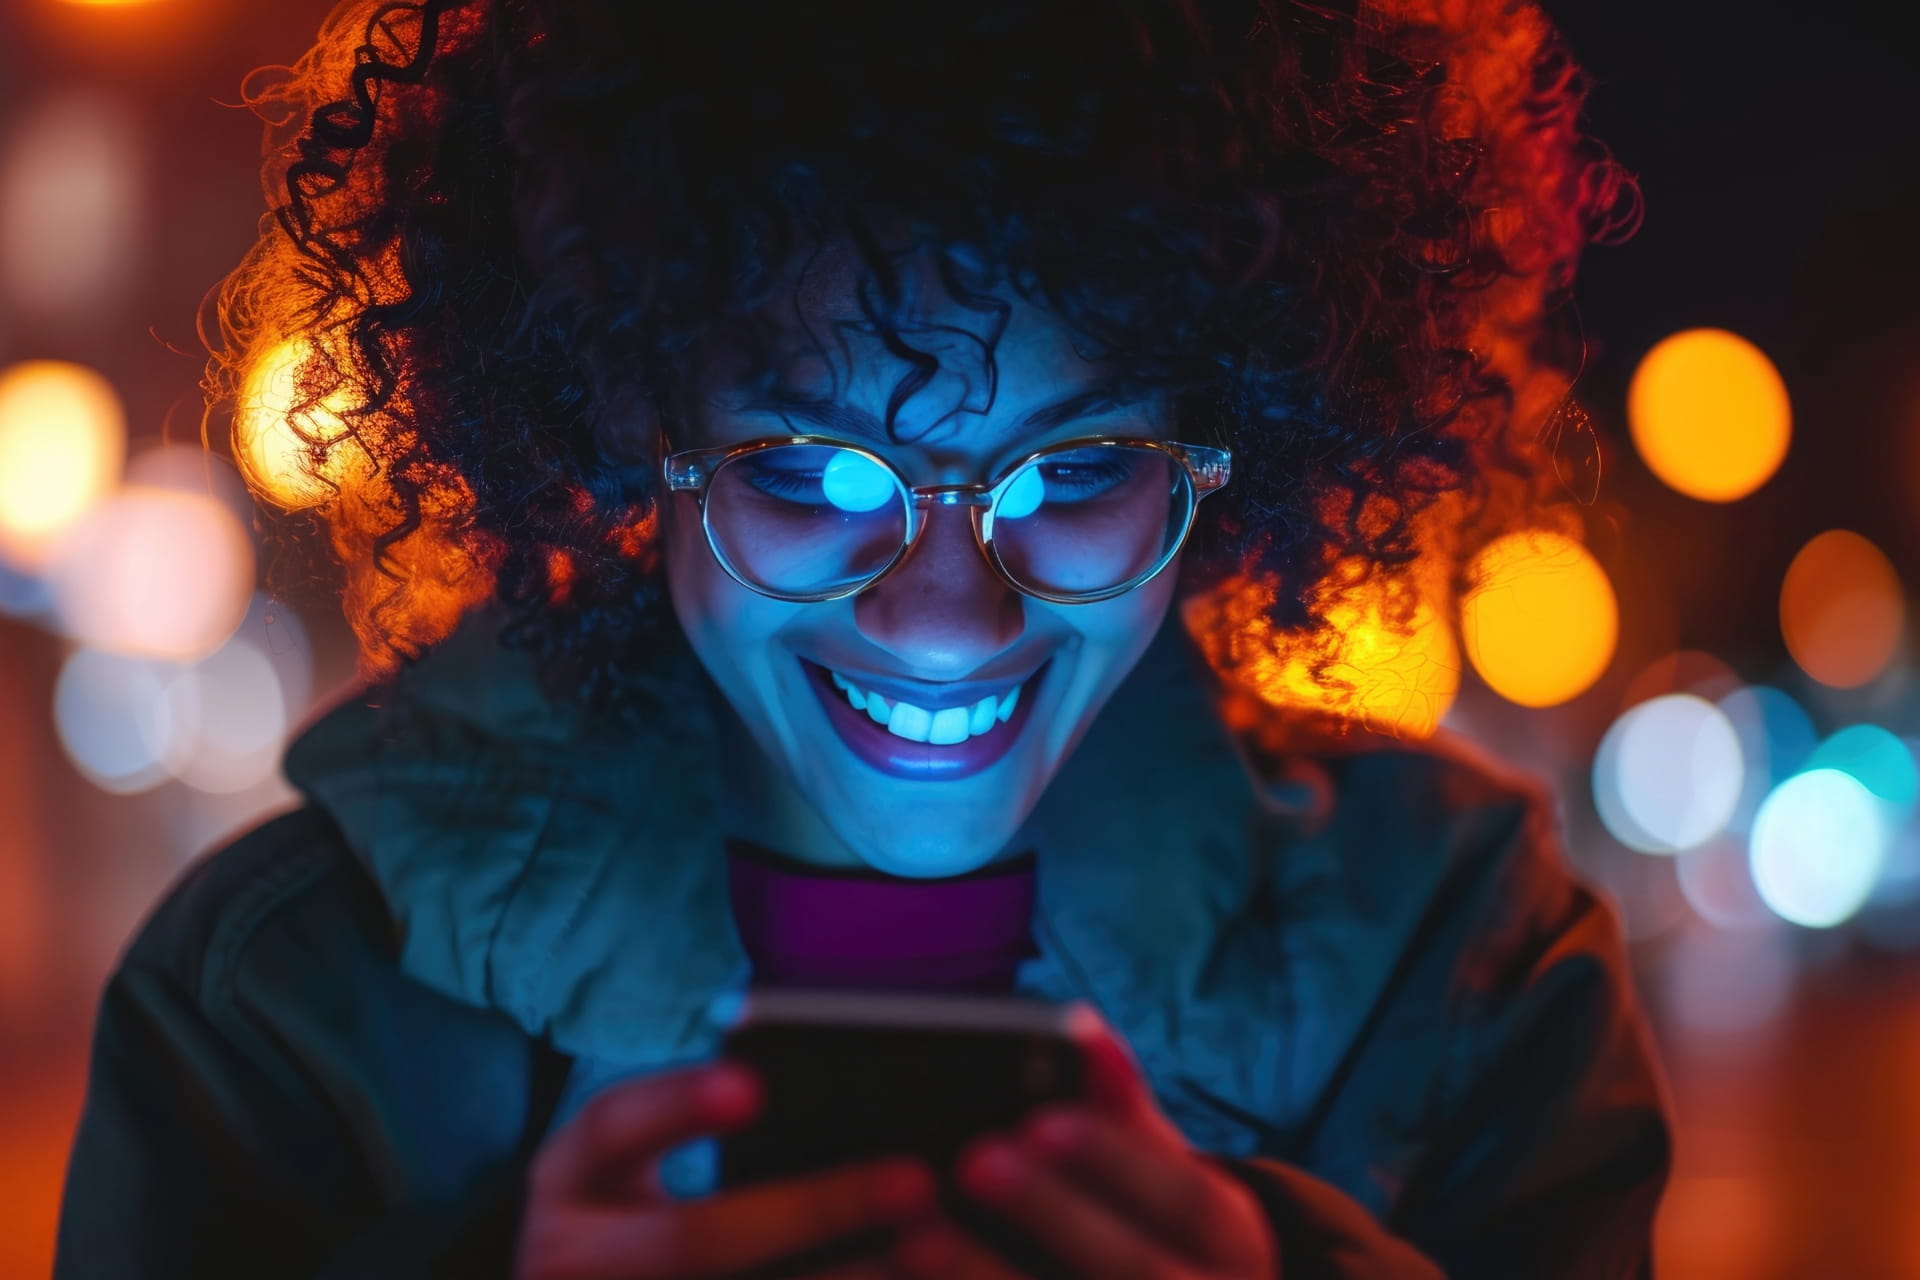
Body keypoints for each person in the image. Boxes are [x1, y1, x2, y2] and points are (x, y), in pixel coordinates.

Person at [55, 1, 1669, 1276]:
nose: (949, 611)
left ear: (1240, 448)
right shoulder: (270, 1004)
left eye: (1082, 467)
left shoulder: (1472, 966)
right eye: (817, 470)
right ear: (633, 431)